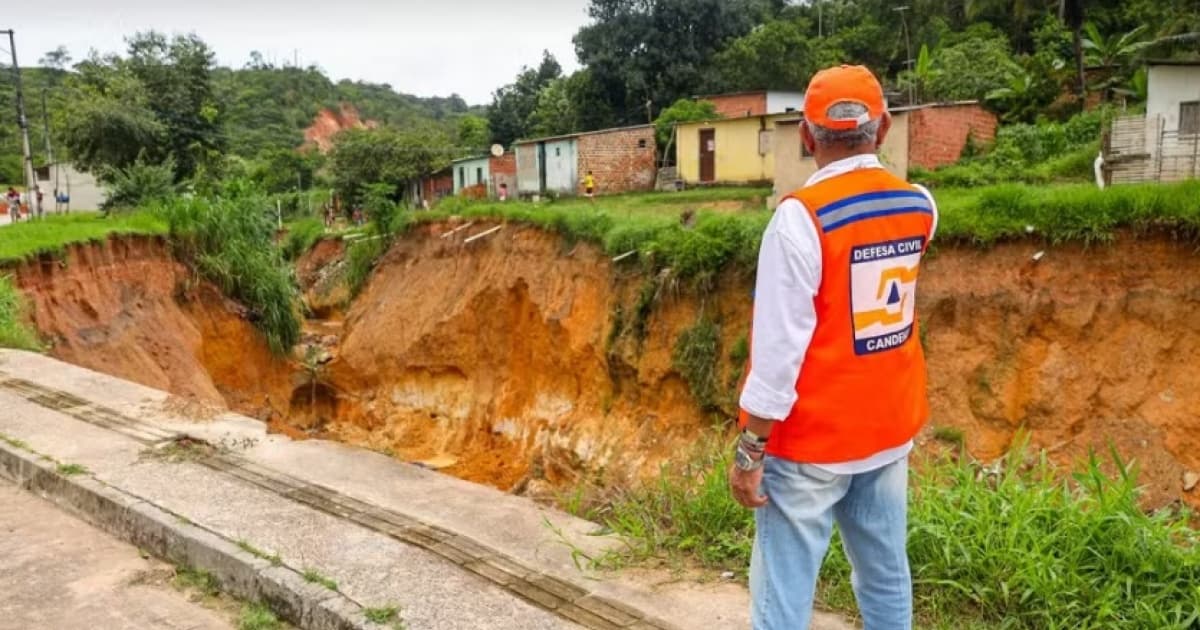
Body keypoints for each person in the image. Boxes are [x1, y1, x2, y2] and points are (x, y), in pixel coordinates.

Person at [729, 64, 937, 630]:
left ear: (805, 133)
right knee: (885, 574)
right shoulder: (920, 206)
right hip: (888, 433)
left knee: (784, 593)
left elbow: (777, 353)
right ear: (884, 128)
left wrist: (752, 447)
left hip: (811, 446)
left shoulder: (800, 220)